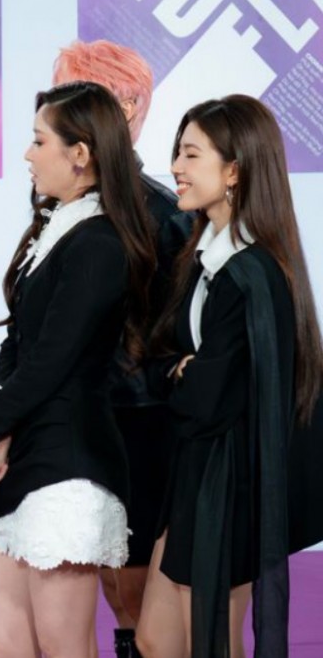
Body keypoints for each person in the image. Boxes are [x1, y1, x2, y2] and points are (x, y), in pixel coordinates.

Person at [0, 81, 155, 658]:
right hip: (30, 452)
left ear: (80, 154)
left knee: (64, 644)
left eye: (39, 141)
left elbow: (53, 359)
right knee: (4, 645)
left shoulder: (99, 243)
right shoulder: (61, 227)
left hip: (70, 463)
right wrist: (1, 434)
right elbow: (21, 342)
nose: (27, 153)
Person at [135, 95, 323, 658]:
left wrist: (180, 375)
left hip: (231, 483)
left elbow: (207, 397)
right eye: (178, 152)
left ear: (235, 171)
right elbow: (160, 360)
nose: (175, 167)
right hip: (196, 474)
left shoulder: (252, 272)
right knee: (156, 640)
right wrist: (180, 371)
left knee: (211, 643)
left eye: (191, 155)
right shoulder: (204, 260)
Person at [52, 39, 194, 658]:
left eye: (81, 99)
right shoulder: (61, 206)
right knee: (107, 593)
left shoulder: (166, 214)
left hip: (139, 425)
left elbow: (177, 337)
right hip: (79, 421)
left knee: (137, 596)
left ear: (128, 107)